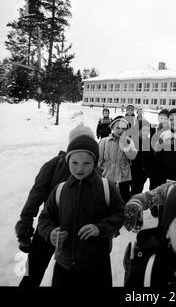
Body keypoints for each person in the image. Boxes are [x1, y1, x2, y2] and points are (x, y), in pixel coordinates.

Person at [37, 134, 125, 287]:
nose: (79, 168)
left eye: (86, 163)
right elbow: (45, 218)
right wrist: (50, 232)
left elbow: (120, 213)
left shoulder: (106, 187)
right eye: (74, 162)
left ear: (95, 163)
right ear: (67, 161)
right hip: (64, 265)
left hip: (97, 265)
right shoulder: (60, 189)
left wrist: (100, 228)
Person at [14, 124, 95, 287]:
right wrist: (25, 223)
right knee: (33, 273)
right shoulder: (54, 164)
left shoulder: (94, 170)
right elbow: (36, 195)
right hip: (48, 227)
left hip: (77, 234)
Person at [99, 115, 137, 203]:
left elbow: (132, 156)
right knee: (106, 199)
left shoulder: (129, 141)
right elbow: (99, 160)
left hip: (123, 177)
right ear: (112, 127)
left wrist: (125, 146)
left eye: (123, 128)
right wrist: (101, 171)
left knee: (123, 200)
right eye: (118, 128)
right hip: (107, 175)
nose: (121, 130)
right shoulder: (104, 141)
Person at [130, 118, 154, 196]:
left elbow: (151, 157)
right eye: (143, 130)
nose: (146, 133)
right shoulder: (133, 140)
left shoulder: (149, 141)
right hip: (133, 172)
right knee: (132, 190)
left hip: (143, 173)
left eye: (147, 131)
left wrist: (148, 171)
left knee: (138, 191)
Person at [149, 108, 170, 190]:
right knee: (153, 187)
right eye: (161, 118)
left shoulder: (170, 132)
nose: (162, 120)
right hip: (154, 164)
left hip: (165, 165)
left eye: (165, 118)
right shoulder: (154, 130)